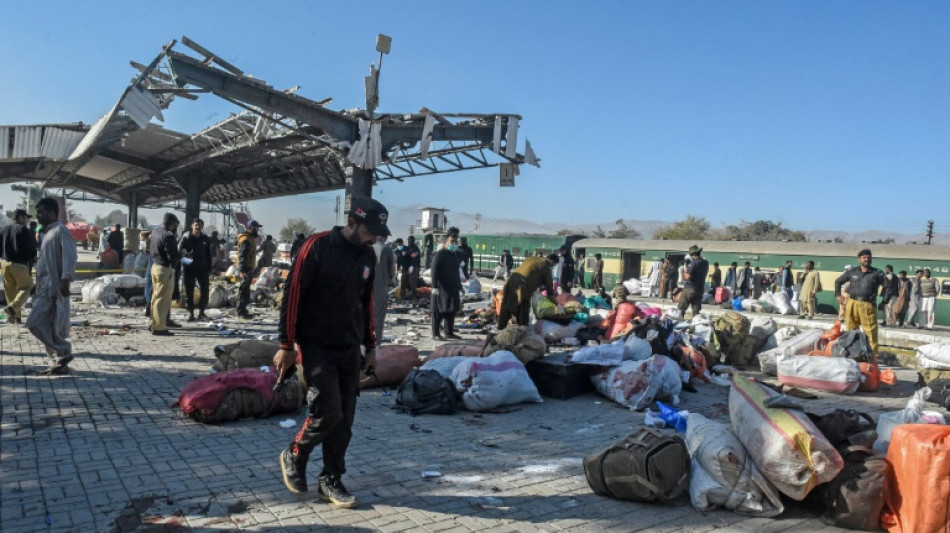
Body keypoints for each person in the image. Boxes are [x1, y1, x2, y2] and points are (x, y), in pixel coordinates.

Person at [274, 196, 388, 508]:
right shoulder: (317, 246)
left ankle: (331, 479)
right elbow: (292, 295)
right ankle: (296, 453)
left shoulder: (367, 257)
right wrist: (286, 345)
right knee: (329, 411)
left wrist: (371, 347)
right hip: (316, 347)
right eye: (371, 230)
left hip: (349, 349)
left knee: (345, 420)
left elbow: (366, 306)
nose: (376, 237)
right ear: (353, 222)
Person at [26, 198, 77, 375]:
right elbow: (45, 262)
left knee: (35, 322)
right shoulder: (47, 233)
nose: (38, 216)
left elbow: (69, 257)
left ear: (52, 212)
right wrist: (36, 283)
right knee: (45, 324)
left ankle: (63, 350)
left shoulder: (61, 231)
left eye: (41, 212)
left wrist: (65, 280)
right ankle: (62, 359)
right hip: (43, 286)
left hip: (54, 286)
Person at [834, 249, 886, 355]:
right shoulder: (852, 272)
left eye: (868, 257)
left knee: (870, 332)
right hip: (852, 303)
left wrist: (884, 301)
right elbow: (838, 281)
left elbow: (888, 286)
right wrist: (838, 295)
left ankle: (873, 358)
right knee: (850, 331)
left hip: (868, 304)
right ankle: (851, 354)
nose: (866, 259)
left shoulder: (877, 273)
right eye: (864, 257)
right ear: (859, 259)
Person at [498, 253, 558, 330]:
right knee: (523, 311)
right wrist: (558, 305)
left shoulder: (533, 258)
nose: (552, 266)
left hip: (510, 282)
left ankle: (499, 332)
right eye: (554, 265)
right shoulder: (546, 267)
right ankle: (522, 331)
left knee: (506, 307)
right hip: (522, 288)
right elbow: (550, 292)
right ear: (552, 261)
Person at [1, 209, 38, 324]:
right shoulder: (23, 229)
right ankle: (12, 309)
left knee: (10, 291)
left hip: (4, 264)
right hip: (19, 265)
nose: (27, 220)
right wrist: (34, 257)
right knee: (27, 287)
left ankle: (15, 318)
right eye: (26, 217)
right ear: (21, 217)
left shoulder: (4, 229)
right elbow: (31, 247)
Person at [148, 213, 181, 335]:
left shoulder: (154, 233)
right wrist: (181, 255)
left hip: (154, 266)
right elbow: (173, 257)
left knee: (155, 297)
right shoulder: (168, 236)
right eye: (176, 224)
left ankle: (153, 323)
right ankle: (159, 327)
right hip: (165, 269)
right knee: (163, 299)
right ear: (171, 223)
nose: (176, 227)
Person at [430, 229, 464, 340]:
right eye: (452, 241)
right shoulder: (440, 254)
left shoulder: (454, 254)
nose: (454, 243)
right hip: (441, 287)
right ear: (446, 241)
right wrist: (434, 286)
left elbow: (456, 272)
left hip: (452, 286)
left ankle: (449, 332)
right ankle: (435, 334)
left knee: (452, 309)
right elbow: (434, 271)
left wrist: (460, 286)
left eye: (455, 241)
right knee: (439, 310)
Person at [179, 218, 212, 322]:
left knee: (205, 291)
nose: (198, 227)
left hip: (202, 269)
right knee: (189, 292)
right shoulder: (186, 238)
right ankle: (190, 313)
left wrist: (209, 268)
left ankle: (202, 312)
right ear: (192, 226)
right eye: (196, 225)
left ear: (203, 227)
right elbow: (179, 252)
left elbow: (209, 255)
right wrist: (184, 262)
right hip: (189, 269)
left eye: (200, 225)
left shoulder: (205, 239)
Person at [371, 235, 396, 342]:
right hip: (380, 287)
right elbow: (392, 272)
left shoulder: (365, 246)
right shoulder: (386, 249)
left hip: (364, 288)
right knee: (378, 317)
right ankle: (376, 342)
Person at [236, 220, 262, 319]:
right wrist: (242, 270)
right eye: (255, 227)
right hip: (245, 267)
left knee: (246, 290)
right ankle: (240, 312)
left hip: (248, 267)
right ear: (250, 227)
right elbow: (243, 255)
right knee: (243, 290)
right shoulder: (246, 239)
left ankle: (243, 310)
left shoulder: (250, 239)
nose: (257, 229)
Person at [678, 245, 709, 318]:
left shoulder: (693, 263)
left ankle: (679, 323)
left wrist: (684, 270)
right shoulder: (705, 263)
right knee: (696, 310)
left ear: (693, 255)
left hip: (690, 288)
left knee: (681, 308)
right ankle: (696, 325)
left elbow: (688, 277)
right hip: (700, 289)